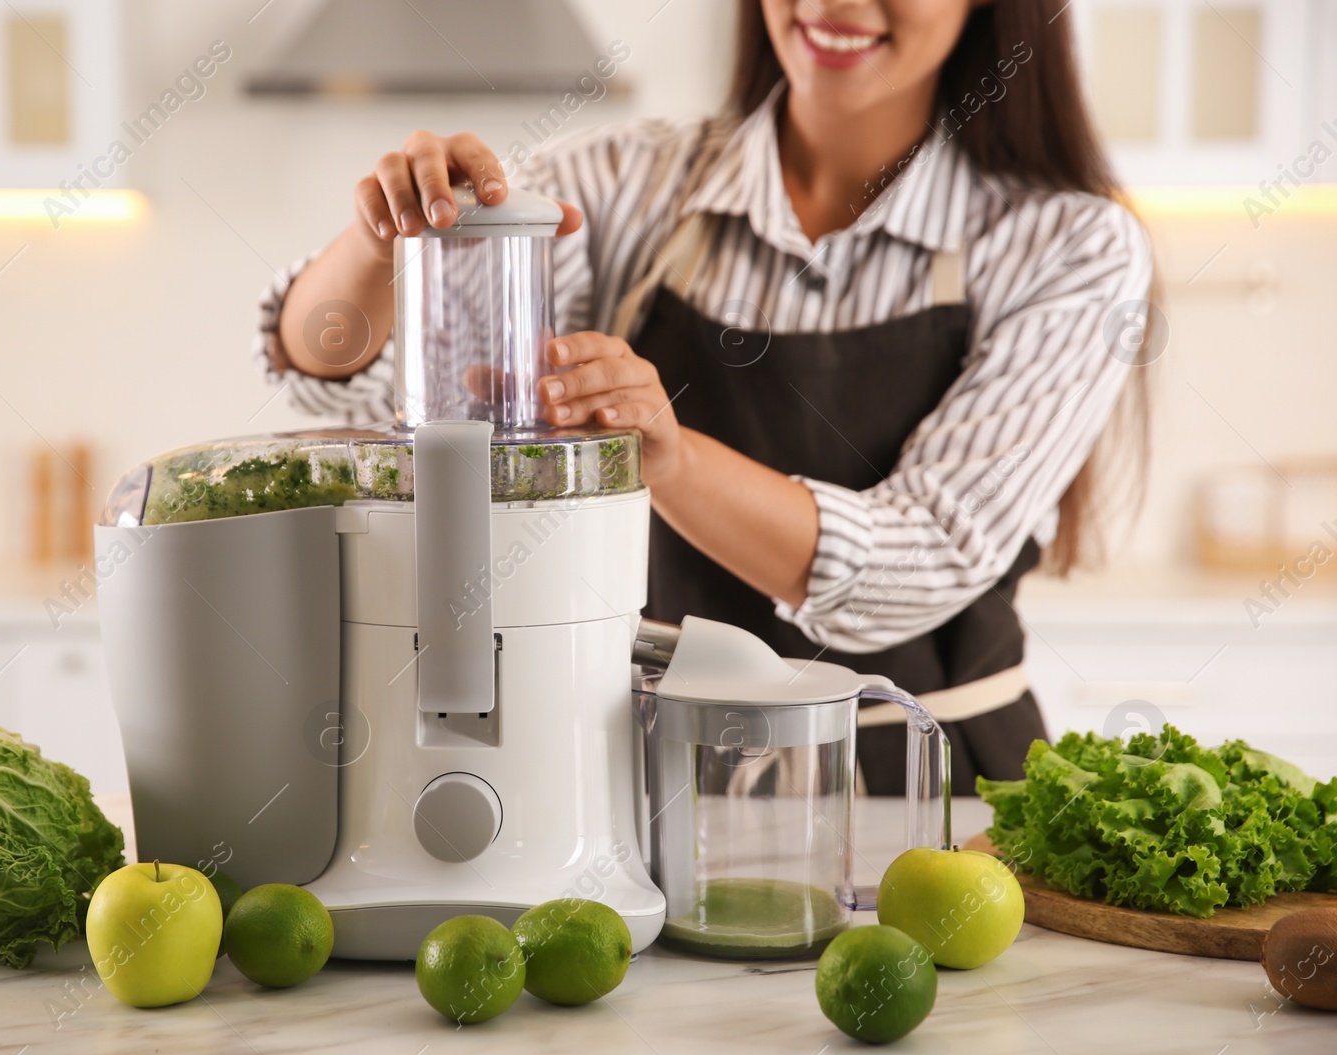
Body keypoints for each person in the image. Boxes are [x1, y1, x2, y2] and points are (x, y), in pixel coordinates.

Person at [254, 0, 1153, 793]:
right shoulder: (620, 182)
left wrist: (671, 458)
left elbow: (922, 562)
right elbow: (345, 381)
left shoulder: (1069, 244)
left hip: (924, 790)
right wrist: (387, 243)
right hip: (645, 777)